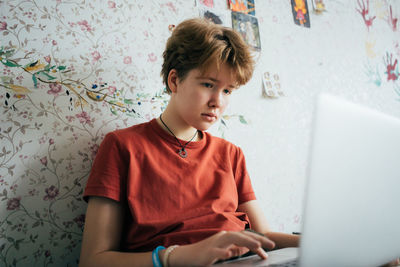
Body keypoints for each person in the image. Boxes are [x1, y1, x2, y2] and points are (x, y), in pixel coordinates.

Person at [79, 18, 300, 267]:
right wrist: (177, 256)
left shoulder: (230, 154)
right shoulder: (122, 146)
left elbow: (264, 237)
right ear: (174, 81)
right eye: (208, 84)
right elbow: (92, 260)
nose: (218, 101)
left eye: (228, 91)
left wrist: (315, 242)